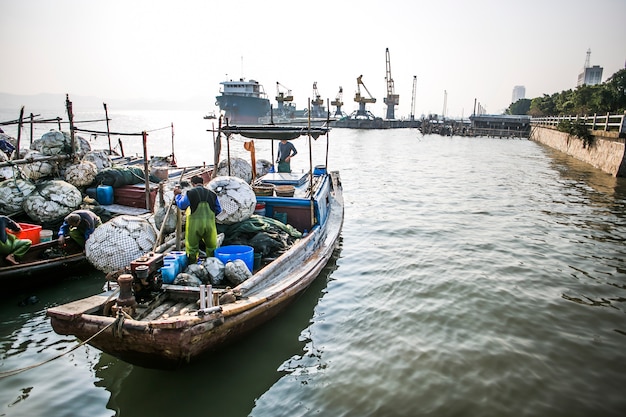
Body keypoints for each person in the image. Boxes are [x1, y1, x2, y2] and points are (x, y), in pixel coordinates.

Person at [174, 175, 222, 264]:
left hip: (194, 226)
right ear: (202, 183)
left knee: (192, 248)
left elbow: (181, 205)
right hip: (210, 225)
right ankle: (212, 265)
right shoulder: (212, 194)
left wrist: (177, 196)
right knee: (211, 247)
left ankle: (193, 266)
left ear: (192, 184)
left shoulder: (190, 193)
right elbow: (219, 210)